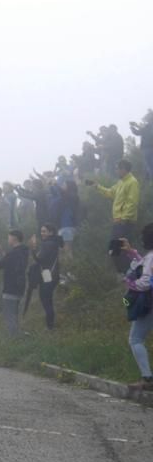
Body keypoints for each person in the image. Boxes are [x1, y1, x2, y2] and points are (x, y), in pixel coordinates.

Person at [90, 159, 140, 271]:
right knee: (117, 249)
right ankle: (128, 272)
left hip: (125, 222)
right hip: (118, 221)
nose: (116, 171)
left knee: (118, 249)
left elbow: (132, 203)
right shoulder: (121, 182)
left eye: (117, 168)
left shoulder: (132, 182)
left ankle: (129, 272)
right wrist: (97, 187)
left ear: (123, 169)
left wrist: (124, 218)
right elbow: (110, 192)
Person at [122, 225, 153, 391]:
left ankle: (147, 378)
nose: (142, 239)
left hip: (149, 303)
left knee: (135, 339)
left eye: (143, 236)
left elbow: (145, 282)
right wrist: (131, 252)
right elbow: (144, 266)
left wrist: (129, 282)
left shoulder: (151, 257)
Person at [0, 230, 30, 337]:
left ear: (14, 238)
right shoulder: (24, 251)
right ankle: (19, 337)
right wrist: (3, 253)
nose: (8, 240)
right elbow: (11, 263)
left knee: (9, 316)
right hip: (20, 287)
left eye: (9, 237)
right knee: (16, 315)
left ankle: (15, 340)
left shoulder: (13, 254)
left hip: (10, 287)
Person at [31, 224, 62, 331]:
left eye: (44, 231)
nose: (42, 233)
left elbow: (39, 260)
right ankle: (50, 324)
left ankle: (50, 326)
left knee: (45, 300)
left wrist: (34, 249)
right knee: (48, 300)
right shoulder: (54, 243)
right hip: (52, 275)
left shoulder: (47, 244)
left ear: (51, 232)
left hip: (48, 276)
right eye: (41, 231)